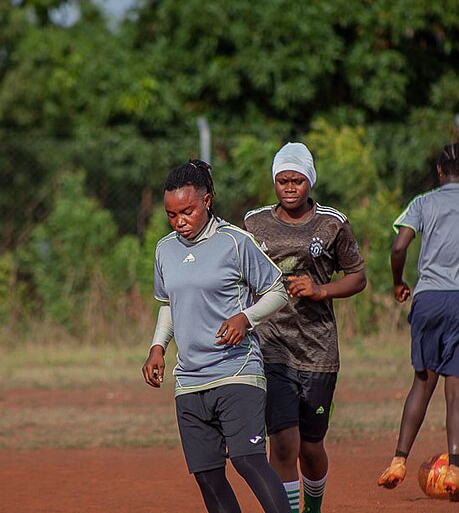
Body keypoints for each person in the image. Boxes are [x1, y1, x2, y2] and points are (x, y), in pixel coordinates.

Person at [141, 160, 291, 513]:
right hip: (190, 380)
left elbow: (277, 290)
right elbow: (168, 304)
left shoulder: (235, 242)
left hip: (237, 371)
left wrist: (245, 318)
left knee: (247, 460)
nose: (180, 221)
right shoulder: (165, 250)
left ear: (207, 201)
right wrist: (157, 347)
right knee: (207, 475)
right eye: (171, 214)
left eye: (188, 211)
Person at [376, 143, 459, 501]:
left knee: (422, 383)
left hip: (428, 299)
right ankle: (453, 467)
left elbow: (399, 247)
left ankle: (398, 461)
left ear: (439, 170)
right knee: (458, 391)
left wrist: (398, 282)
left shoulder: (423, 202)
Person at [244, 142, 367, 513]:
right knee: (282, 442)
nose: (290, 187)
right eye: (282, 181)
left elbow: (357, 277)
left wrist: (320, 289)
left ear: (309, 180)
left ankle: (312, 508)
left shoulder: (332, 223)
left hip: (317, 350)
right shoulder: (254, 223)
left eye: (297, 180)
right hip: (270, 345)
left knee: (311, 446)